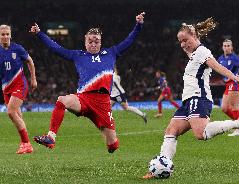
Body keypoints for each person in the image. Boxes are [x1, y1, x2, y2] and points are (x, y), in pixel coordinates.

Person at [143, 18, 239, 179]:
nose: (183, 44)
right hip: (188, 101)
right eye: (180, 42)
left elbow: (217, 66)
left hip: (198, 98)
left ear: (193, 36)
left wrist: (235, 78)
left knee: (201, 134)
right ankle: (160, 168)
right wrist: (191, 31)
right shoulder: (194, 53)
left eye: (185, 40)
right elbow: (189, 47)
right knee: (171, 131)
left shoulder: (202, 51)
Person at [30, 12, 145, 153]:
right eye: (90, 41)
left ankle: (102, 127)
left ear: (101, 42)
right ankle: (51, 138)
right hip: (83, 98)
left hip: (103, 102)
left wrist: (138, 25)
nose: (93, 44)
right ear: (85, 41)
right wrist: (40, 34)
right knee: (62, 100)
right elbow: (56, 48)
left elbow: (129, 40)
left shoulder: (111, 53)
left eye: (96, 41)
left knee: (113, 146)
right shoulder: (77, 55)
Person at [0, 24, 37, 154]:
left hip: (19, 84)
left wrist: (33, 79)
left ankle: (26, 143)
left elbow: (30, 61)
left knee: (10, 112)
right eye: (2, 34)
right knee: (17, 115)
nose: (5, 36)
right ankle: (27, 144)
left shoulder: (17, 48)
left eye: (7, 34)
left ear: (10, 35)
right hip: (6, 88)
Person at [217, 39, 239, 136]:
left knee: (234, 107)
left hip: (235, 82)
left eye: (228, 46)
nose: (227, 47)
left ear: (232, 47)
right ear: (222, 47)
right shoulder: (220, 58)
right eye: (225, 46)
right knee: (224, 108)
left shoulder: (234, 57)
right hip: (228, 84)